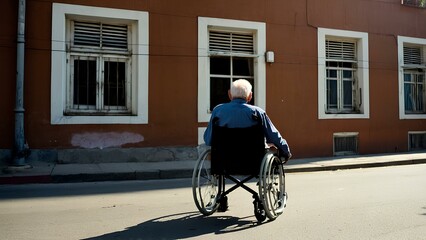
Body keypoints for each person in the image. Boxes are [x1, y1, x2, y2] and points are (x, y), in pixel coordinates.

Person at [204, 79, 292, 162]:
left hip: (223, 159)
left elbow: (208, 139)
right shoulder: (258, 113)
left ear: (229, 94)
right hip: (252, 159)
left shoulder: (218, 111)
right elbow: (273, 135)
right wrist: (285, 151)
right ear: (250, 96)